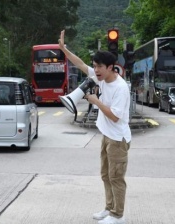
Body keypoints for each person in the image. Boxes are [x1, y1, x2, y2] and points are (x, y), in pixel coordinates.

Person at [59, 30, 131, 224]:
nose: (95, 70)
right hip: (107, 135)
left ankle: (118, 216)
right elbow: (80, 64)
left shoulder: (121, 88)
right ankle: (109, 209)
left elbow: (115, 117)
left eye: (99, 67)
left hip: (118, 138)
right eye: (95, 67)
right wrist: (64, 50)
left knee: (116, 177)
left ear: (111, 68)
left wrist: (95, 101)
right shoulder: (101, 77)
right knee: (106, 175)